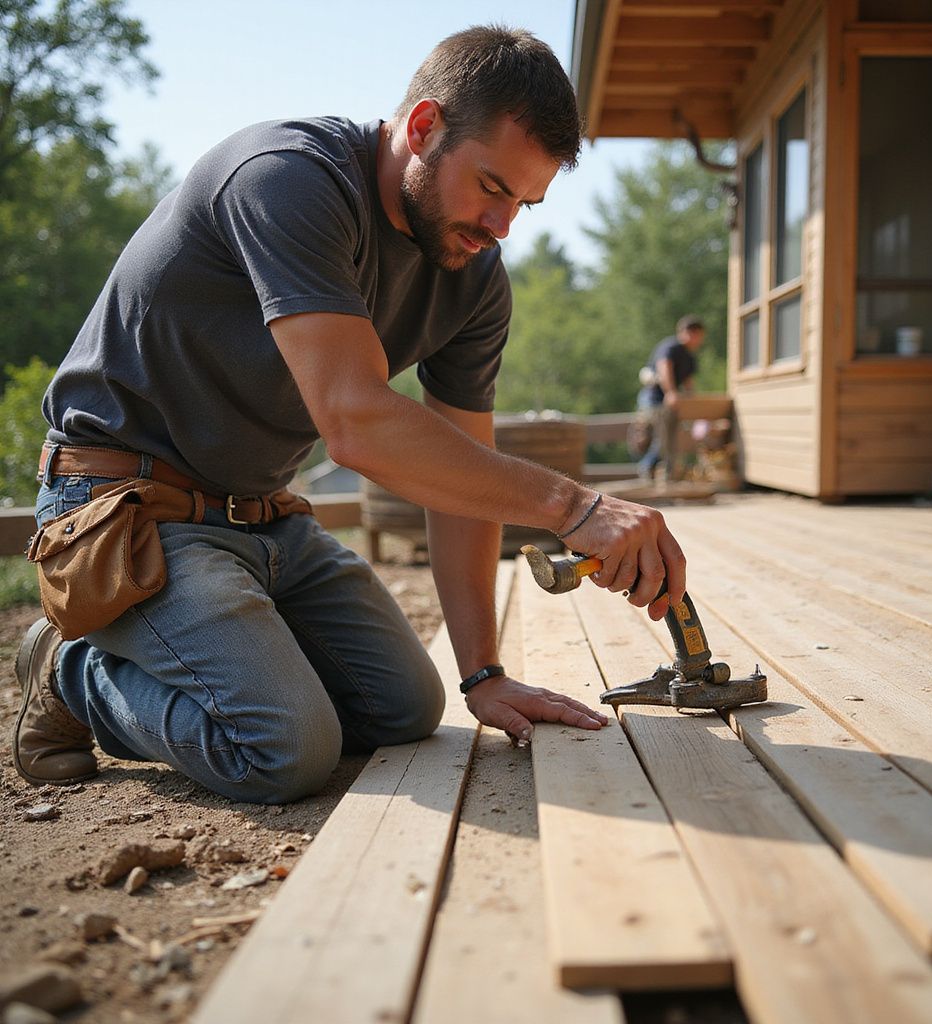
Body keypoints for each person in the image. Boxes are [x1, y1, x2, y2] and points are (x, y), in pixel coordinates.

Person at [13, 25, 687, 805]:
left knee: (404, 708)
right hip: (125, 510)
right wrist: (575, 506)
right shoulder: (286, 178)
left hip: (262, 517)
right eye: (494, 188)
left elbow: (457, 479)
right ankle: (71, 671)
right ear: (425, 127)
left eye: (526, 204)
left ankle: (221, 658)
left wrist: (483, 674)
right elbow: (355, 420)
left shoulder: (472, 278)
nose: (502, 228)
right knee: (283, 750)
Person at [636, 316, 705, 481]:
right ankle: (647, 470)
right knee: (661, 439)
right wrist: (671, 392)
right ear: (689, 332)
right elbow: (664, 368)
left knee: (669, 440)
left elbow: (688, 382)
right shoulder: (671, 347)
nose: (700, 340)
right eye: (699, 335)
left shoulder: (689, 357)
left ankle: (663, 474)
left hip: (669, 403)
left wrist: (693, 402)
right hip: (654, 399)